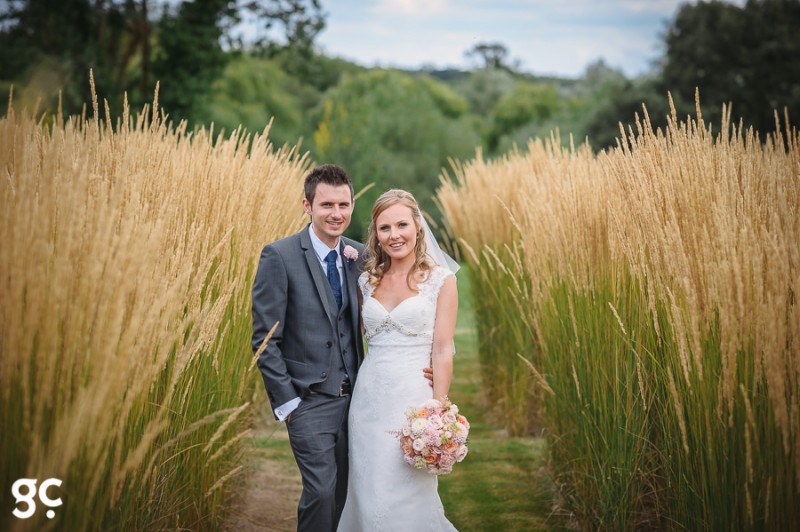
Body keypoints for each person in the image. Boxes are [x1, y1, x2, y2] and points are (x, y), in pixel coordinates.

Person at [337, 189, 459, 532]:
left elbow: (443, 348)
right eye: (385, 228)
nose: (395, 235)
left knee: (408, 492)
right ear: (375, 234)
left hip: (414, 400)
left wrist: (437, 407)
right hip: (368, 401)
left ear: (417, 226)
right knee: (368, 488)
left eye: (402, 224)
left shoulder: (441, 280)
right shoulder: (365, 280)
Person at [251, 164, 365, 532]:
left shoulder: (359, 256)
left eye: (344, 205)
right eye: (327, 204)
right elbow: (265, 339)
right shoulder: (279, 256)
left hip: (359, 401)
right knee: (320, 491)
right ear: (307, 205)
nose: (336, 214)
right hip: (309, 400)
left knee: (346, 493)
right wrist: (289, 404)